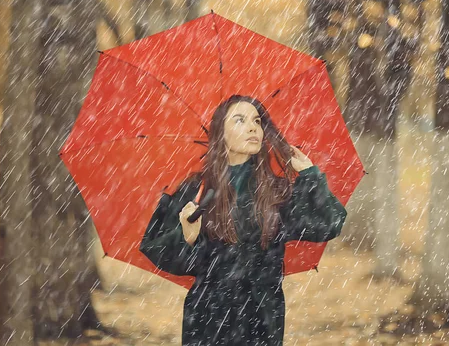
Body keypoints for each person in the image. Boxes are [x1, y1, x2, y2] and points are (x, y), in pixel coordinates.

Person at [139, 94, 348, 346]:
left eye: (257, 121)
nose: (252, 127)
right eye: (239, 120)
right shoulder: (197, 190)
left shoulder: (276, 192)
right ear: (221, 135)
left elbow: (330, 223)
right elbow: (158, 250)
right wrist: (186, 237)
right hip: (208, 319)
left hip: (262, 319)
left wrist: (310, 175)